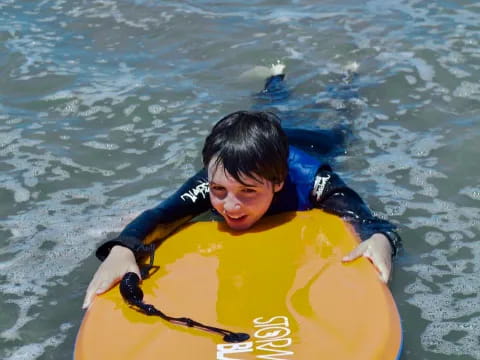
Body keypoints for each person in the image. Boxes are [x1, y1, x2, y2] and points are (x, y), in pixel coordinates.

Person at [82, 71, 401, 310]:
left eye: (248, 192)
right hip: (257, 147)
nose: (230, 206)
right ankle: (275, 76)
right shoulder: (213, 181)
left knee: (341, 125)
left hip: (315, 142)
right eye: (219, 190)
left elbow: (372, 222)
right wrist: (123, 249)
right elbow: (161, 215)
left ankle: (348, 81)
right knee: (275, 105)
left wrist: (381, 240)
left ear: (278, 183)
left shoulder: (314, 180)